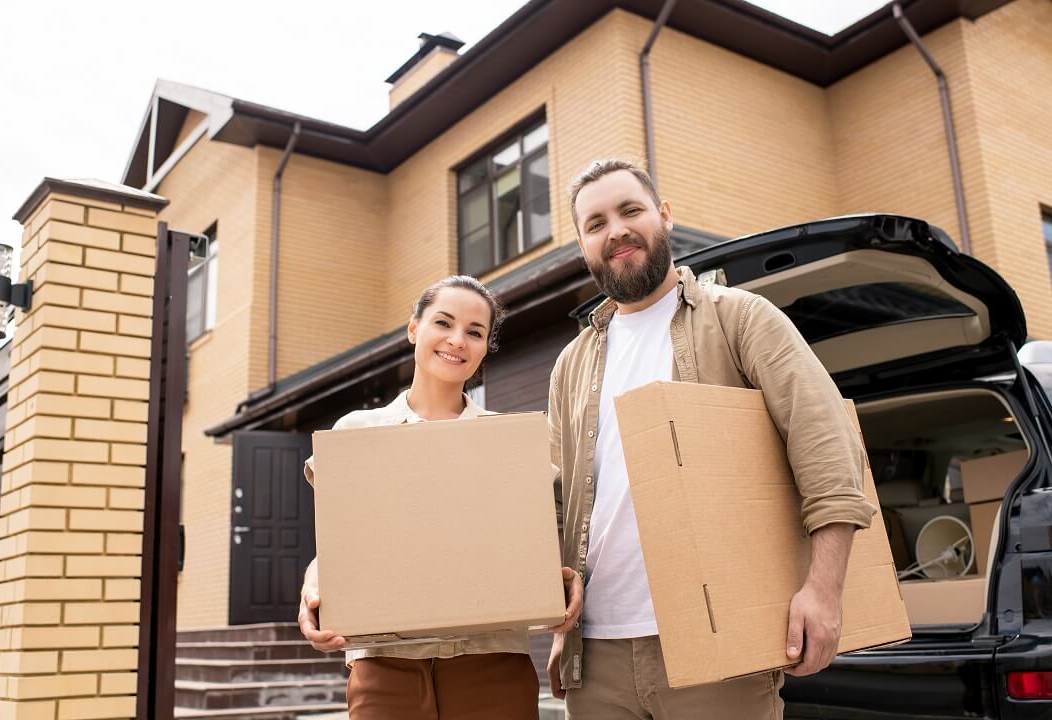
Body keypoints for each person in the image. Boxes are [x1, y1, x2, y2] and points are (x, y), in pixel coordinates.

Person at [546, 159, 876, 719]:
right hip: (597, 655)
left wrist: (824, 590)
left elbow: (826, 443)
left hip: (720, 643)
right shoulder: (570, 365)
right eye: (595, 223)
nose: (617, 231)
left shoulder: (740, 318)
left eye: (631, 210)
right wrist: (559, 619)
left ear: (665, 215)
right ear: (583, 244)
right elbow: (560, 503)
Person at [297, 275, 584, 720]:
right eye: (443, 323)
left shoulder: (513, 443)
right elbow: (338, 547)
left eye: (475, 332)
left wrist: (562, 582)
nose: (457, 340)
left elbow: (542, 543)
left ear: (487, 347)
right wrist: (313, 586)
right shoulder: (356, 434)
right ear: (414, 328)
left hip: (492, 665)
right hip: (384, 669)